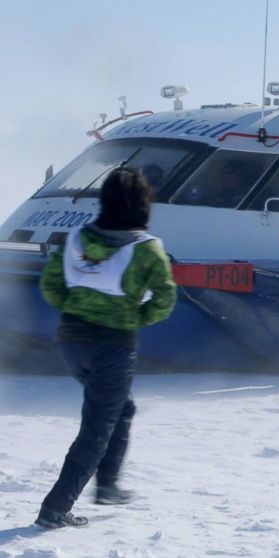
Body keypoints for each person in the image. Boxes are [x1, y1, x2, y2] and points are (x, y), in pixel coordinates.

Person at [35, 167, 177, 528]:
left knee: (120, 408)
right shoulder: (148, 249)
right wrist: (135, 317)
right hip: (111, 348)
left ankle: (108, 485)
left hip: (71, 341)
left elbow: (51, 286)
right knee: (97, 428)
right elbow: (165, 298)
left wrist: (77, 309)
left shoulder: (76, 238)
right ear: (142, 204)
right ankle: (56, 508)